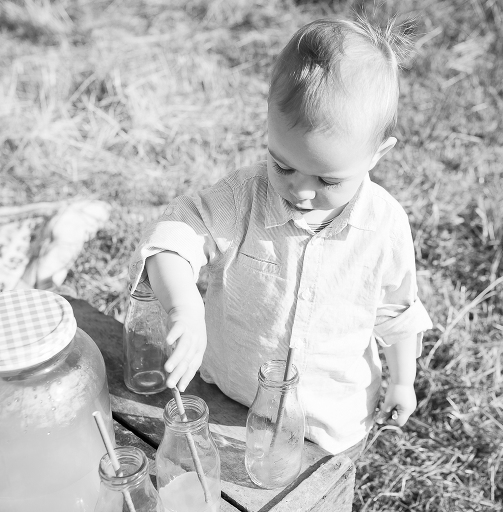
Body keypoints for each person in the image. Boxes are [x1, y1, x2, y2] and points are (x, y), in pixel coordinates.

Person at [128, 16, 433, 458]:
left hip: (329, 425)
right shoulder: (243, 198)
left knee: (319, 497)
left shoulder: (384, 226)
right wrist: (183, 303)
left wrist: (403, 381)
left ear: (377, 154)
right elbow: (175, 235)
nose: (300, 192)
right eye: (283, 165)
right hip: (230, 399)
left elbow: (397, 311)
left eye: (328, 180)